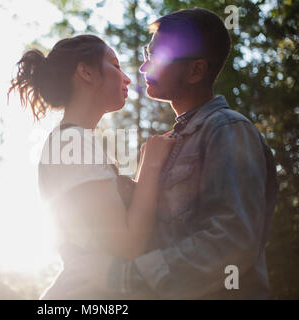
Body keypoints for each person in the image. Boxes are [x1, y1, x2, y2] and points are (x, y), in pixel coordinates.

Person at [55, 8, 278, 299]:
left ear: (196, 71)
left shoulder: (227, 129)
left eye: (157, 58)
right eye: (148, 54)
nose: (144, 68)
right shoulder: (165, 145)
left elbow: (232, 240)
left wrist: (126, 277)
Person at [8, 34, 176, 299]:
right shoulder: (71, 142)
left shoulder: (75, 141)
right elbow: (126, 245)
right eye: (115, 66)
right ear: (86, 71)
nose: (127, 78)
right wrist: (151, 166)